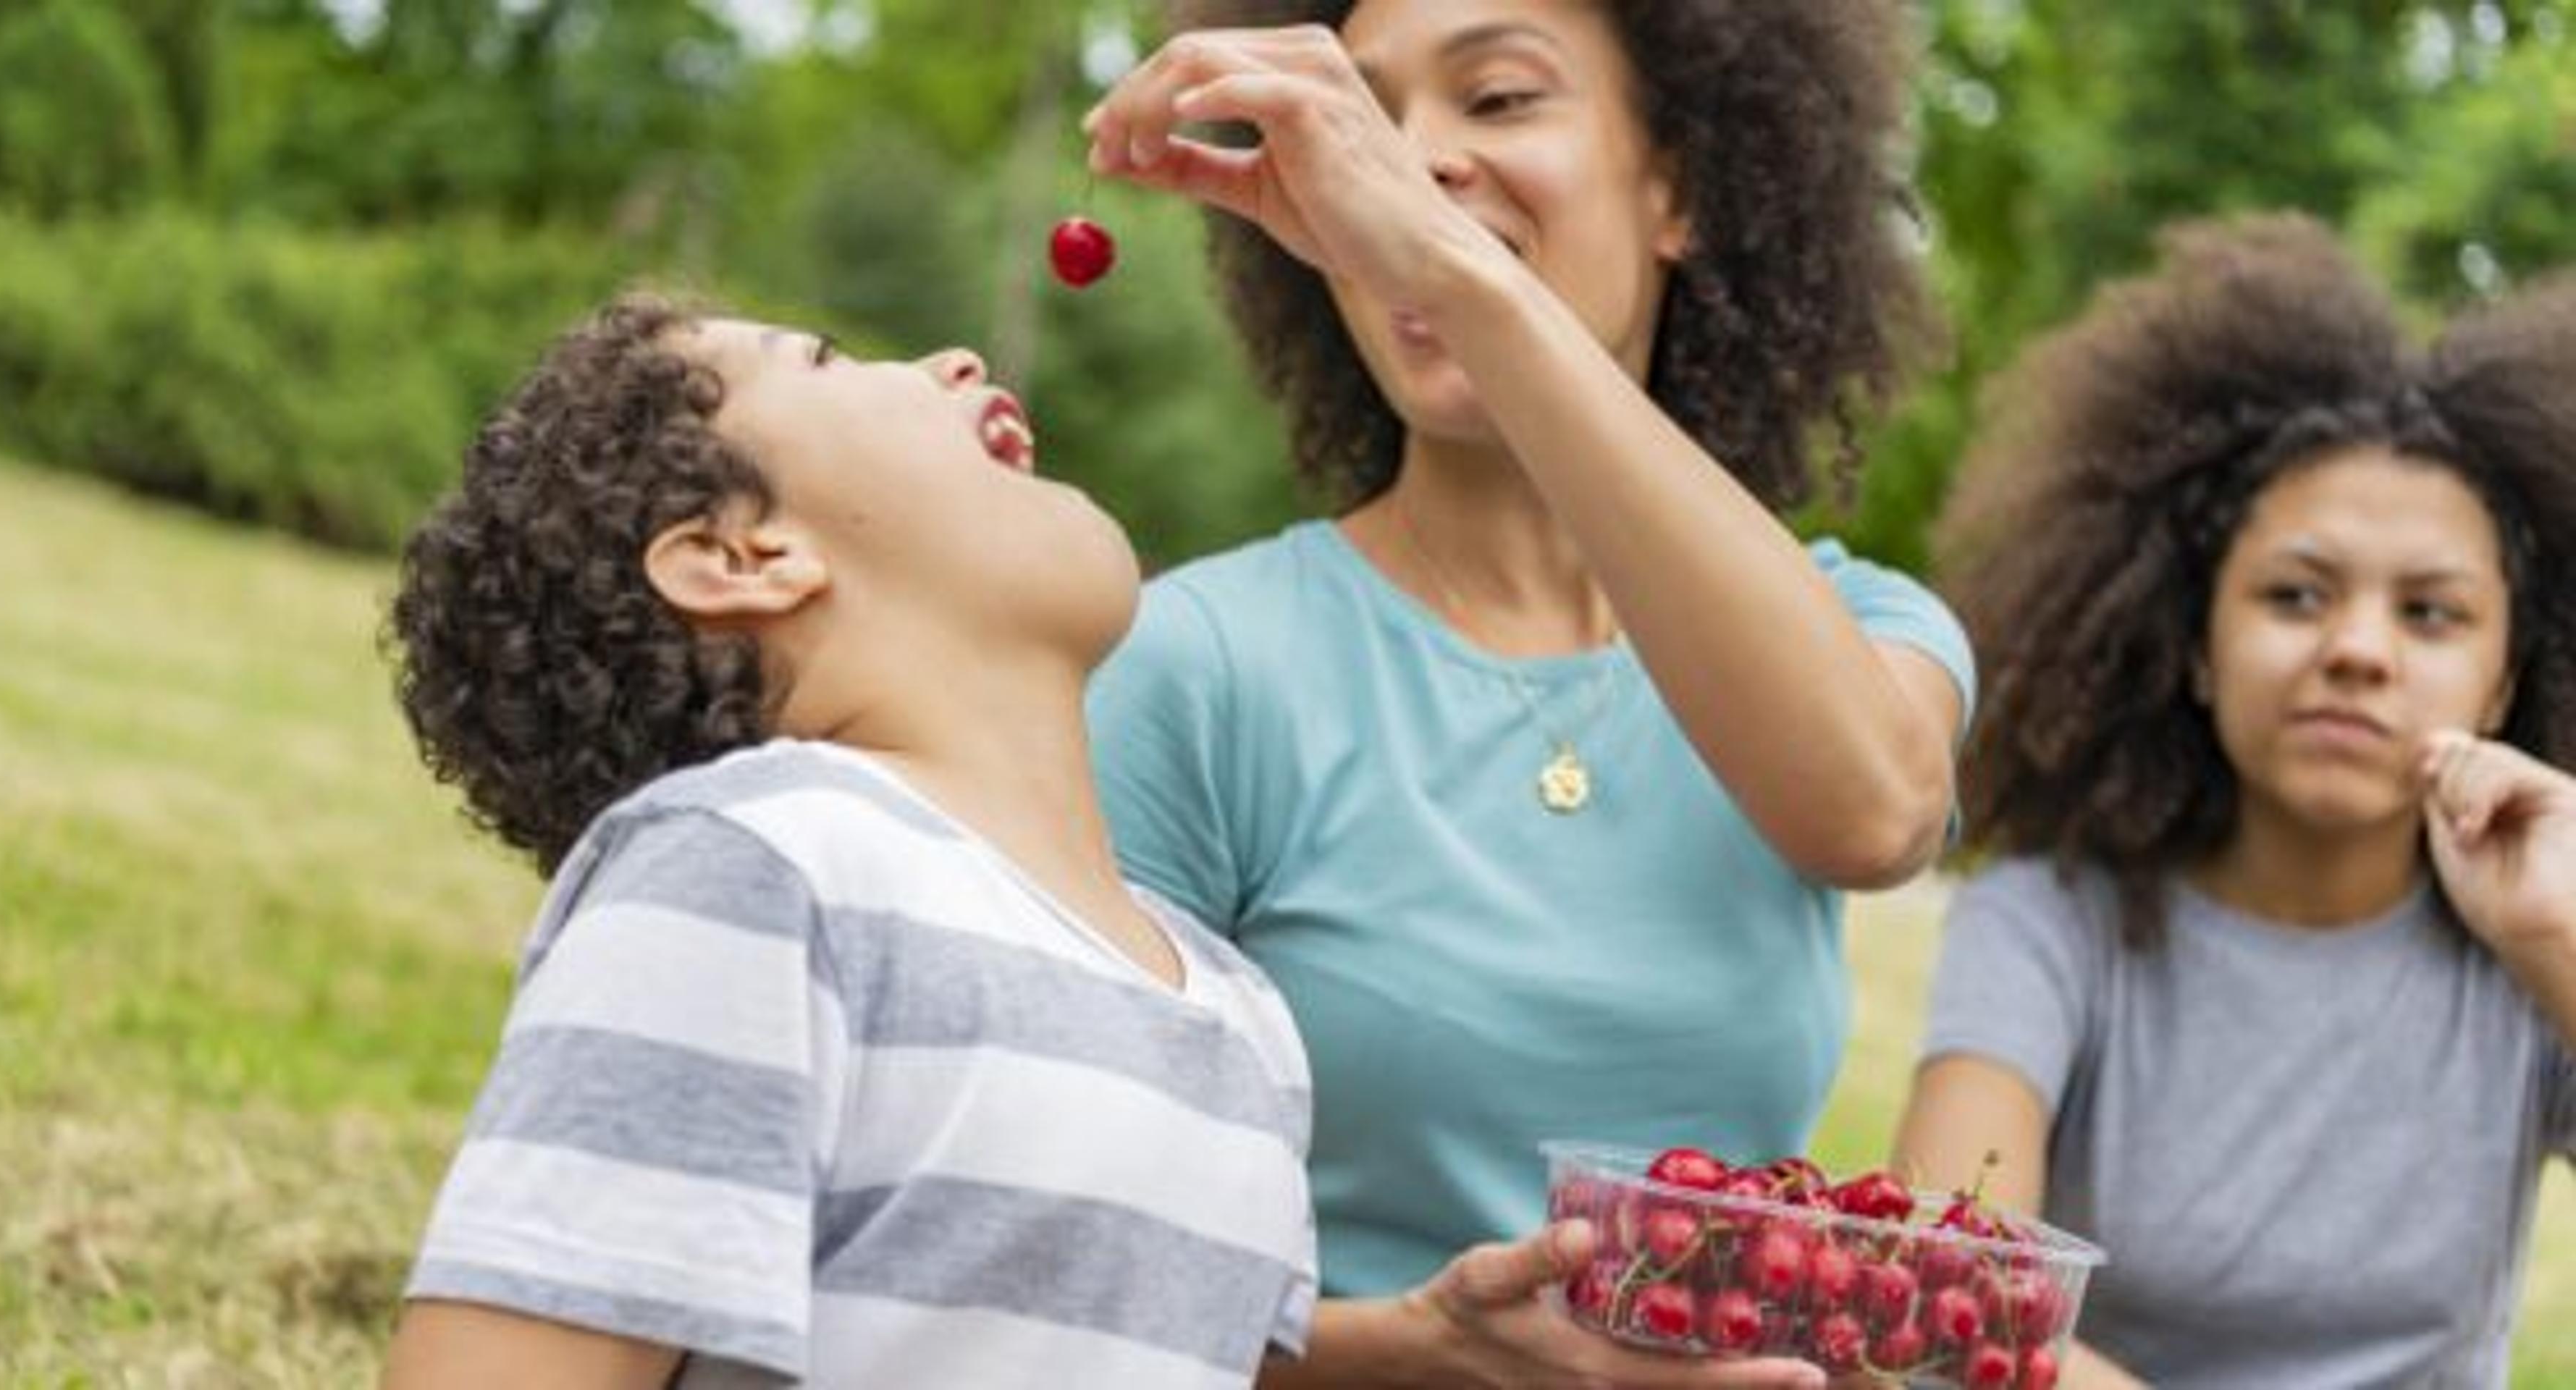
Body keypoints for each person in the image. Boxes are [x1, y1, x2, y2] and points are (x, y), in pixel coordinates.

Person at [1079, 1, 1972, 1384]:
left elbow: (1874, 813)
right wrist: (1413, 1355)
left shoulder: (1856, 624)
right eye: (1367, 123)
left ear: (1678, 187)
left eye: (1496, 100)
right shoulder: (1192, 665)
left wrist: (1460, 277)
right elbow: (1062, 1268)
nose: (1413, 161)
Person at [374, 295, 1318, 1389]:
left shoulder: (1245, 1024)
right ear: (745, 554)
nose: (955, 357)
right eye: (824, 360)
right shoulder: (762, 874)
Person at [1894, 216, 2576, 1389]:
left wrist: (2559, 938)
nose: (2358, 651)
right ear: (2198, 646)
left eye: (2430, 614)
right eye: (2297, 596)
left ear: (2507, 677)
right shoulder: (2053, 916)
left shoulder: (2533, 946)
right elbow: (1951, 1292)